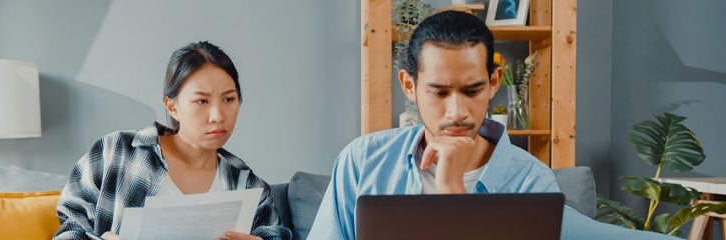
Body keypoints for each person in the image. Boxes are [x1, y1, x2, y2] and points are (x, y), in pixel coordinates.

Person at [307, 11, 680, 240]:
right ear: (409, 86)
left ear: (495, 82)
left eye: (472, 90)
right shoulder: (363, 161)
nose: (457, 111)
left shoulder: (531, 183)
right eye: (438, 92)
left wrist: (452, 189)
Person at [54, 41, 291, 240]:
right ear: (172, 106)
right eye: (202, 101)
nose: (218, 116)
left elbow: (273, 233)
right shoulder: (116, 152)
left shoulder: (248, 184)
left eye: (229, 99)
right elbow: (68, 228)